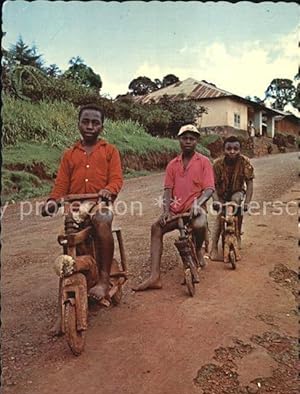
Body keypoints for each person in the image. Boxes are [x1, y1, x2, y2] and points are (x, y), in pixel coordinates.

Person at [42, 103, 123, 310]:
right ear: (78, 124)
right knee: (68, 240)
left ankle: (104, 280)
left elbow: (116, 179)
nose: (89, 126)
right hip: (75, 208)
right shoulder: (69, 154)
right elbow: (61, 185)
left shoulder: (109, 151)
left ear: (101, 127)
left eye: (95, 123)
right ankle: (64, 307)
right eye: (85, 121)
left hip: (99, 204)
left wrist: (108, 190)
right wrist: (52, 201)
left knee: (102, 220)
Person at [133, 124, 215, 292]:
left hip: (195, 209)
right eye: (184, 138)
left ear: (196, 141)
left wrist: (197, 203)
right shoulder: (172, 165)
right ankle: (154, 276)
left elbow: (209, 189)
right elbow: (167, 191)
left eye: (192, 139)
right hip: (176, 211)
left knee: (200, 224)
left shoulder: (204, 162)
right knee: (156, 228)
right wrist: (166, 211)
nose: (188, 142)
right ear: (179, 140)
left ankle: (198, 249)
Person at [209, 135, 254, 261]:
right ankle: (213, 246)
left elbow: (249, 183)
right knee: (220, 216)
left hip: (236, 192)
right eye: (229, 149)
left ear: (240, 150)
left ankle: (237, 235)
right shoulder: (217, 164)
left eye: (235, 149)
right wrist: (215, 200)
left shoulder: (245, 162)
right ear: (224, 150)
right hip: (221, 194)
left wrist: (247, 202)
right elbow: (211, 185)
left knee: (237, 207)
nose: (232, 151)